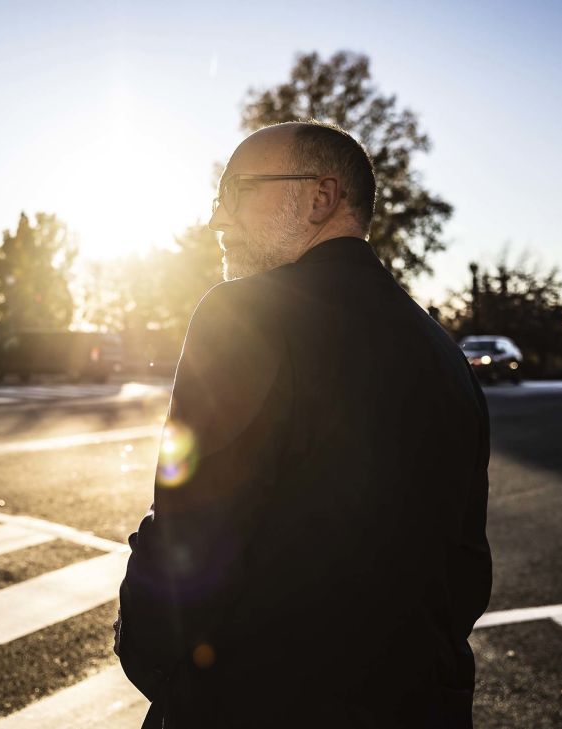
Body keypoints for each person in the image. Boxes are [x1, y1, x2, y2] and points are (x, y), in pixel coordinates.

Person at [114, 120, 492, 728]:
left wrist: (156, 665)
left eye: (238, 191)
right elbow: (466, 569)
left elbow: (191, 533)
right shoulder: (446, 354)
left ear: (320, 198)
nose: (217, 219)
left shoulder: (245, 314)